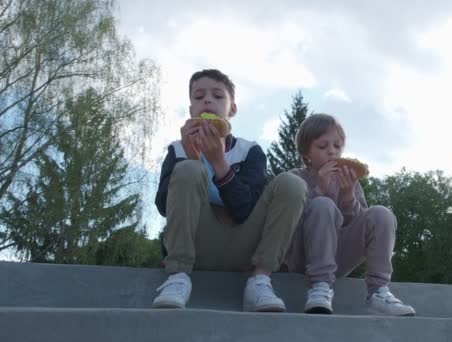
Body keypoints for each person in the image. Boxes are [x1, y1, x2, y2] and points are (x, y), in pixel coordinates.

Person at [153, 69, 307, 312]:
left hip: (244, 249)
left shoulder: (250, 151)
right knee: (188, 171)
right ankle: (177, 276)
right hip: (197, 247)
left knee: (293, 183)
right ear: (191, 108)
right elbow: (164, 207)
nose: (207, 101)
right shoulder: (177, 150)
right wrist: (192, 158)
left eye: (217, 96)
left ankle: (260, 280)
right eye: (198, 96)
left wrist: (219, 164)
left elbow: (245, 210)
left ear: (232, 109)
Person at [284, 113, 416, 316]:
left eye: (337, 146)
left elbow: (360, 228)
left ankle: (378, 292)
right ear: (306, 152)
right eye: (323, 146)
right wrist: (318, 191)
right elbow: (287, 226)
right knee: (322, 204)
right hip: (302, 257)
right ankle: (319, 287)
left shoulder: (349, 183)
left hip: (338, 260)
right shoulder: (295, 178)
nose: (332, 152)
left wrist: (348, 198)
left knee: (381, 214)